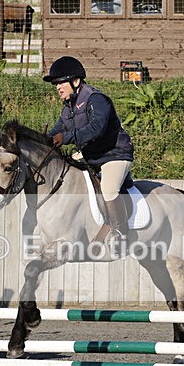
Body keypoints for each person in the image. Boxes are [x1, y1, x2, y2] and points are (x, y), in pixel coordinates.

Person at [44, 56, 134, 255]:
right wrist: (43, 140)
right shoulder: (68, 108)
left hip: (114, 154)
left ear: (75, 81)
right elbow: (58, 130)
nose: (57, 87)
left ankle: (119, 232)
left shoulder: (96, 99)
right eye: (55, 84)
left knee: (109, 189)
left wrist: (66, 137)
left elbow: (96, 128)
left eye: (60, 82)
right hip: (91, 155)